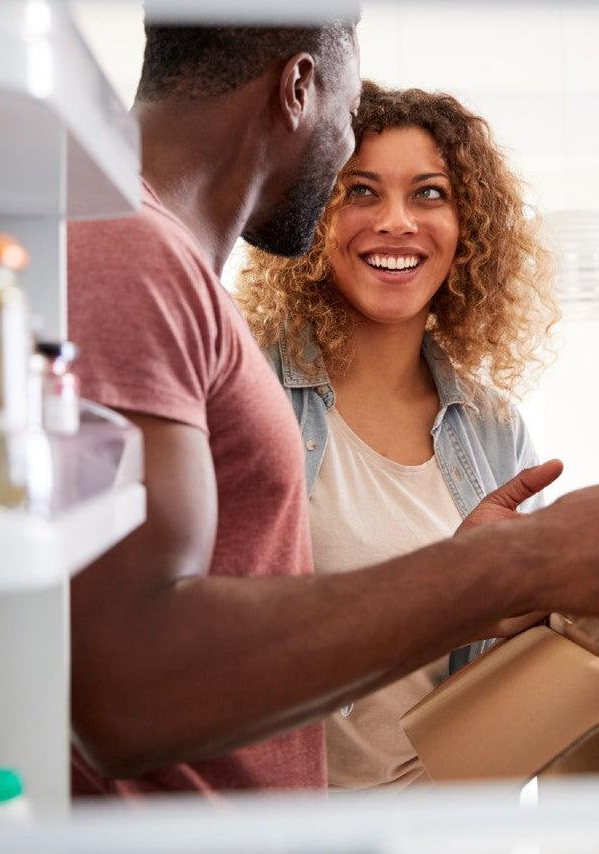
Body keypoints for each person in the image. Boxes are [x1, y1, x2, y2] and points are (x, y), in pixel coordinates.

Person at [68, 0, 599, 798]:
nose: (347, 177)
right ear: (300, 87)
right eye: (348, 126)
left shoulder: (148, 257)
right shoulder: (129, 252)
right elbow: (122, 690)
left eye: (426, 194)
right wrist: (518, 561)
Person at [236, 82, 560, 790]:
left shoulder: (493, 427)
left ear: (467, 224)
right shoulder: (246, 387)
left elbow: (523, 665)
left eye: (429, 194)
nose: (395, 222)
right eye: (360, 191)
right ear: (315, 213)